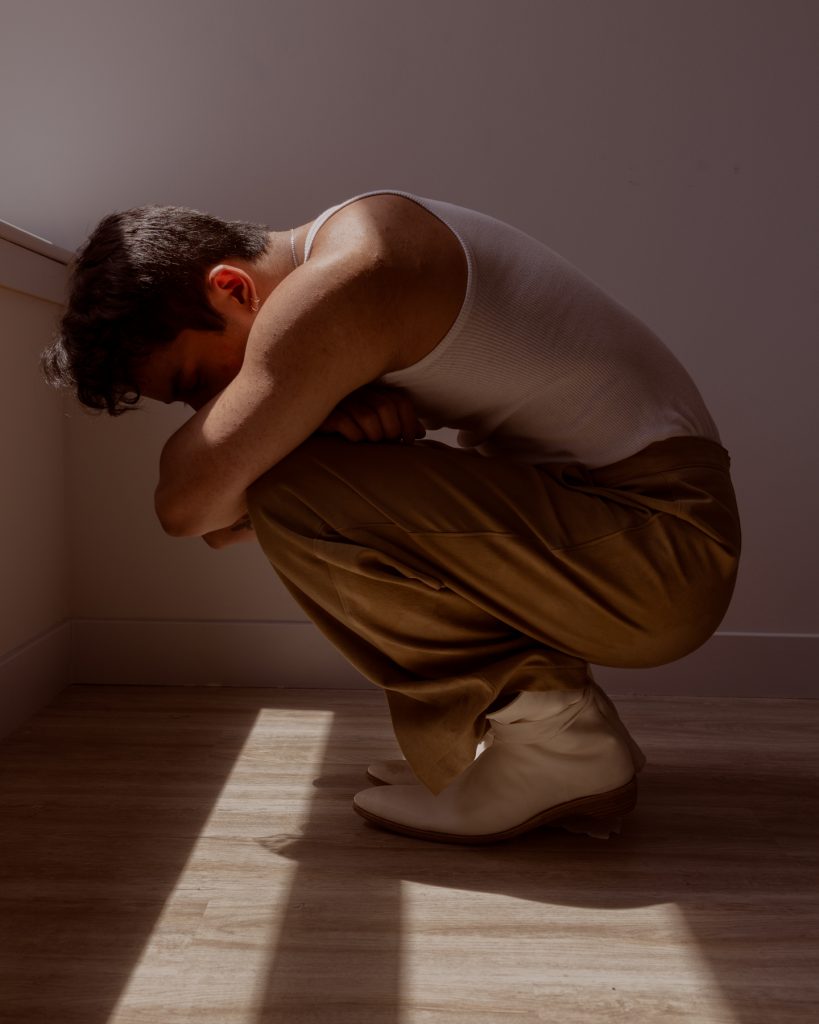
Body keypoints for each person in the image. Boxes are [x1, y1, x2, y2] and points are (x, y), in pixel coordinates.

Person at [42, 188, 741, 845]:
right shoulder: (352, 251)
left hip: (660, 548)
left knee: (290, 487)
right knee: (285, 480)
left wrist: (280, 444)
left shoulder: (352, 274)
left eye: (198, 383)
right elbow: (221, 511)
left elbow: (187, 507)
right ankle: (540, 738)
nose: (208, 412)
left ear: (232, 287)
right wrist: (297, 430)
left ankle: (559, 744)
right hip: (632, 530)